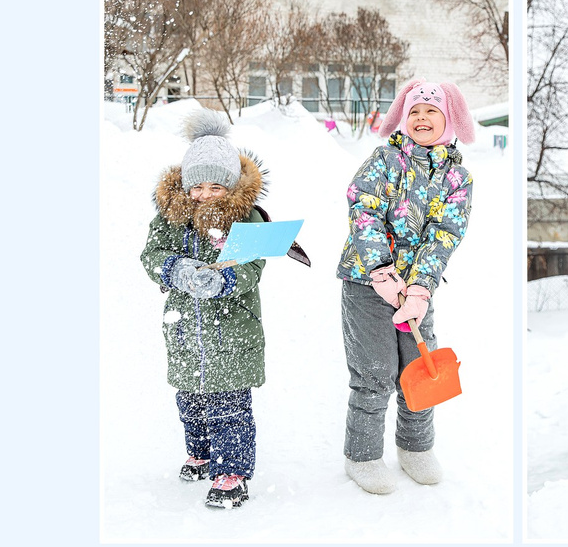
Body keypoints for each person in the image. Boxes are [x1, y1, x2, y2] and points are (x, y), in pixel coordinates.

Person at [139, 115, 309, 511]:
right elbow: (151, 255)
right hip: (185, 332)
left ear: (230, 186)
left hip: (231, 333)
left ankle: (231, 471)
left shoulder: (245, 219)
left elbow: (251, 266)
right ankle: (199, 453)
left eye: (215, 186)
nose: (205, 194)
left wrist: (222, 281)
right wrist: (176, 269)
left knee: (229, 406)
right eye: (197, 185)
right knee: (191, 400)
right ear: (185, 185)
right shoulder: (170, 218)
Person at [335, 80, 477, 494]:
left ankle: (415, 448)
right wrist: (381, 271)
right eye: (414, 111)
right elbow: (363, 209)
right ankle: (361, 456)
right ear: (403, 118)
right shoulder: (384, 160)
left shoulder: (457, 178)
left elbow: (445, 233)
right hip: (367, 283)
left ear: (448, 121)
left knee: (420, 367)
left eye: (431, 112)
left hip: (414, 292)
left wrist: (419, 288)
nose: (422, 118)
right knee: (375, 372)